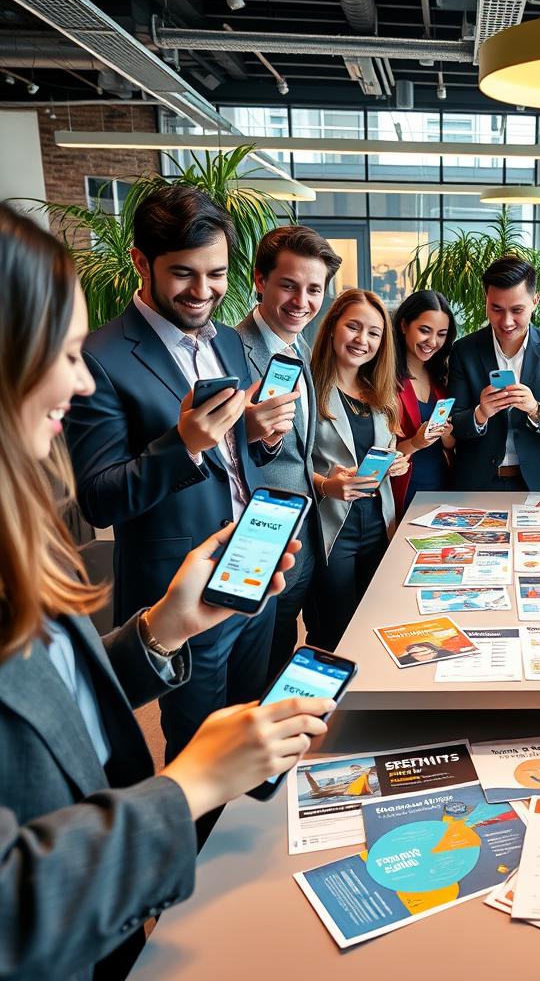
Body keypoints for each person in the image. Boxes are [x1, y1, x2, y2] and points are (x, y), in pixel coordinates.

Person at [0, 204, 333, 981]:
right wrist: (186, 788)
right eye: (63, 351)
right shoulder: (118, 363)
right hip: (75, 925)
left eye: (215, 274)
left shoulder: (22, 537)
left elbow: (49, 705)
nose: (79, 377)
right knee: (204, 742)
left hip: (212, 586)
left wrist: (159, 630)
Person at [65, 184, 299, 761]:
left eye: (216, 274)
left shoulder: (227, 343)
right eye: (183, 274)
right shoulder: (101, 357)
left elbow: (236, 458)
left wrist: (258, 435)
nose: (203, 292)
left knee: (250, 728)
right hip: (181, 594)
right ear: (141, 262)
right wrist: (184, 444)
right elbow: (98, 500)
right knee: (200, 753)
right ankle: (196, 850)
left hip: (254, 565)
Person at [235, 225, 340, 681]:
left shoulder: (301, 349)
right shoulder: (228, 350)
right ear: (260, 281)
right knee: (248, 675)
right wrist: (253, 431)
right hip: (255, 541)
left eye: (314, 289)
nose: (302, 301)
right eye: (289, 285)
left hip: (301, 542)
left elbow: (301, 451)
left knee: (280, 655)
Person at [304, 288, 410, 650]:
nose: (362, 340)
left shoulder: (379, 394)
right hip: (333, 526)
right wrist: (324, 485)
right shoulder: (309, 387)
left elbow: (385, 448)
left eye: (374, 333)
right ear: (333, 327)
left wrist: (395, 460)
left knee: (373, 623)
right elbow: (286, 464)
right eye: (354, 327)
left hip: (378, 524)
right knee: (333, 631)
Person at [448, 255, 540, 491]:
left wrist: (535, 409)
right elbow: (453, 422)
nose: (506, 321)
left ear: (534, 301)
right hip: (475, 482)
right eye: (496, 309)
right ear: (486, 300)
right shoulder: (464, 350)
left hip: (533, 482)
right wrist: (480, 413)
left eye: (517, 310)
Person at [391, 289, 457, 514]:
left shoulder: (443, 377)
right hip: (404, 490)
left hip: (443, 487)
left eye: (441, 334)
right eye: (424, 331)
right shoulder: (385, 379)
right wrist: (416, 443)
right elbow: (379, 452)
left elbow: (450, 445)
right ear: (403, 326)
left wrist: (447, 435)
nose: (432, 341)